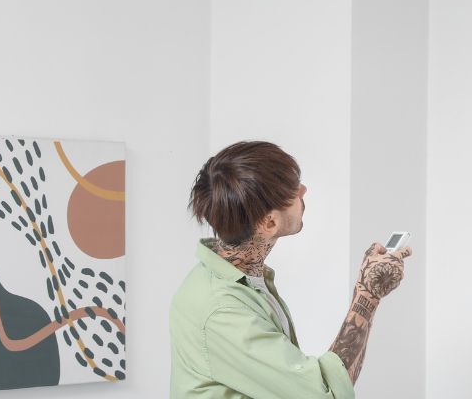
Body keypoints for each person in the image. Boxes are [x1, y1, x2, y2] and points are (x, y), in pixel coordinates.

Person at [170, 141, 411, 398]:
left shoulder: (237, 280)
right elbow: (323, 394)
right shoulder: (223, 311)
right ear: (270, 223)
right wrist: (368, 294)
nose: (303, 190)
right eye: (292, 190)